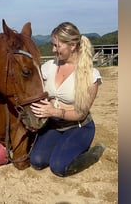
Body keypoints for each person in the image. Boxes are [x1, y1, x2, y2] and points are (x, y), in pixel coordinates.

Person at [30, 22, 105, 177]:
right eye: (52, 45)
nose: (53, 50)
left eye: (57, 46)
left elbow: (80, 114)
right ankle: (63, 146)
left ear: (72, 45)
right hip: (54, 125)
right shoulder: (49, 67)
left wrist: (53, 111)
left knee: (59, 167)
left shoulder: (90, 75)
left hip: (78, 126)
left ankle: (92, 154)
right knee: (37, 161)